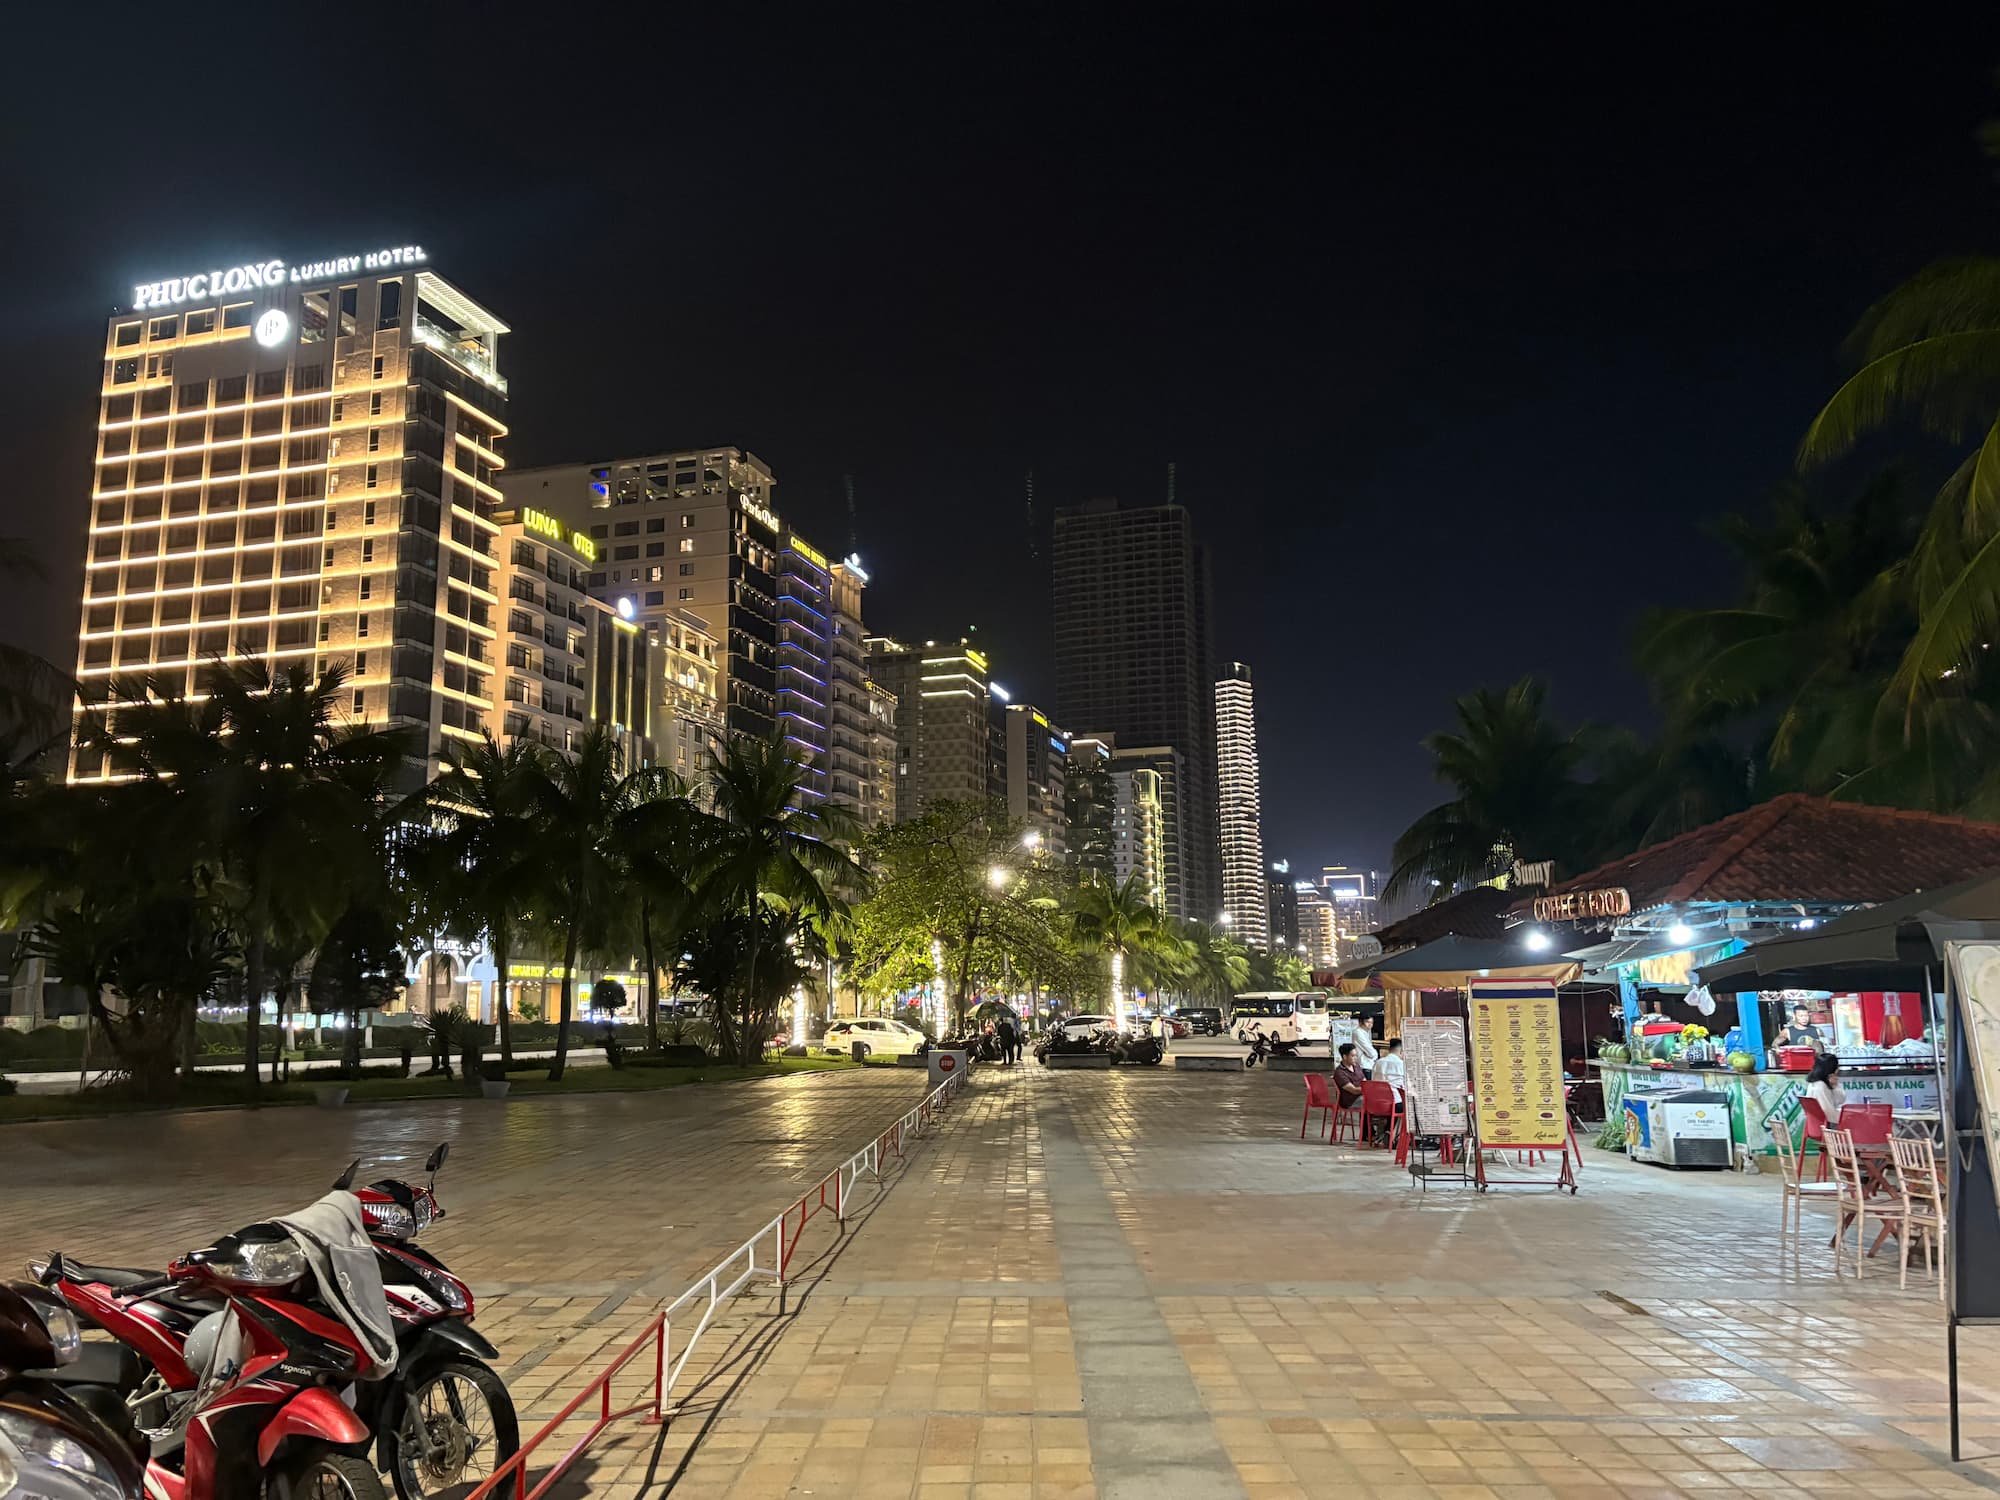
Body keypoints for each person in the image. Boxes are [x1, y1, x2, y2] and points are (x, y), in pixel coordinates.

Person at [1806, 1053, 1847, 1128]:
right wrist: (1846, 1117)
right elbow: (1829, 1114)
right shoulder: (1820, 1086)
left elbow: (1841, 1099)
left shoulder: (1814, 1083)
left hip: (1816, 1126)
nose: (1838, 1069)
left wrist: (1835, 1085)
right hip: (1825, 1127)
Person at [1332, 1042, 1366, 1109]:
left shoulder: (1356, 1066)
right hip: (1351, 1101)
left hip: (1362, 1096)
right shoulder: (1340, 1072)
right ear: (1345, 1057)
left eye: (1356, 1055)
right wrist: (1368, 1090)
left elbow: (1365, 1081)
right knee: (1373, 1101)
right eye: (1353, 1056)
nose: (1356, 1058)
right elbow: (1354, 1090)